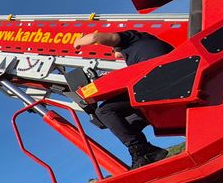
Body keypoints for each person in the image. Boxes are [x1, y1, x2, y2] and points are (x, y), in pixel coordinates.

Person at [73, 30, 173, 168]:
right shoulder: (141, 53)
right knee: (128, 125)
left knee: (104, 111)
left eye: (113, 49)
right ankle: (146, 151)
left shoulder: (131, 39)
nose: (113, 52)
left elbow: (98, 36)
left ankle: (143, 150)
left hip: (157, 84)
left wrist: (78, 42)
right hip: (165, 85)